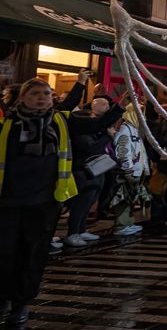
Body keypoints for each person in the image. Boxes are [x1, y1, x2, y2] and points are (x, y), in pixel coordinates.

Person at [0, 78, 79, 326]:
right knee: (4, 253)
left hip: (44, 202)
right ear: (23, 97)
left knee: (33, 254)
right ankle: (2, 298)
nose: (42, 97)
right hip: (8, 201)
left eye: (46, 93)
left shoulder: (59, 122)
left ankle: (21, 303)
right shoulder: (7, 124)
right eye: (35, 93)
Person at [64, 96, 125, 247]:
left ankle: (81, 229)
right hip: (84, 171)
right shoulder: (81, 133)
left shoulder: (92, 130)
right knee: (81, 202)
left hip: (96, 169)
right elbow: (91, 148)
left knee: (90, 200)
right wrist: (107, 137)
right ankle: (73, 233)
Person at [111, 102, 149, 236]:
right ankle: (121, 226)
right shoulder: (125, 129)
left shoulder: (134, 129)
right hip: (129, 171)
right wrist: (127, 169)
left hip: (135, 170)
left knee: (130, 198)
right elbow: (123, 151)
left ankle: (127, 223)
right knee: (124, 199)